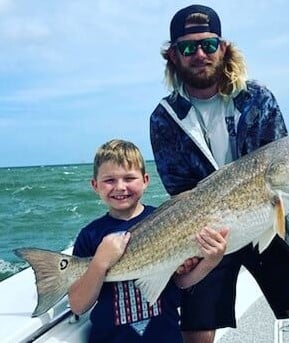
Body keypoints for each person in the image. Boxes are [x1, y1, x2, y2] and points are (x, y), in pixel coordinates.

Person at [150, 4, 289, 343]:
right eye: (188, 47)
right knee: (196, 335)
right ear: (174, 56)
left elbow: (283, 160)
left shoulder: (258, 98)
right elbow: (179, 189)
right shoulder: (163, 118)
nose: (200, 53)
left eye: (208, 44)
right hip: (206, 230)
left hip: (273, 214)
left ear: (223, 48)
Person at [68, 139, 228, 343]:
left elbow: (181, 281)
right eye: (109, 180)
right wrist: (100, 262)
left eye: (129, 178)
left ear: (145, 180)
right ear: (95, 185)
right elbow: (78, 305)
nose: (120, 187)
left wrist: (210, 261)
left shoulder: (170, 219)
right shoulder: (90, 235)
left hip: (165, 336)